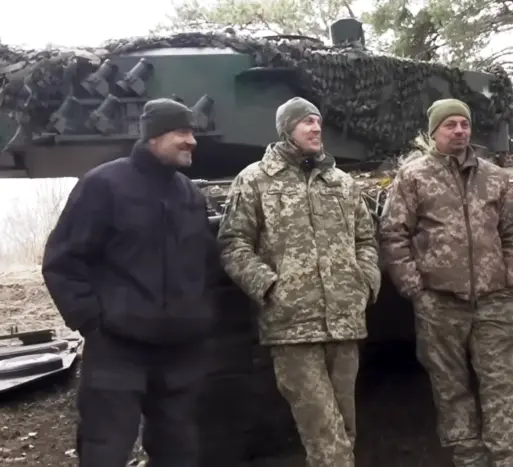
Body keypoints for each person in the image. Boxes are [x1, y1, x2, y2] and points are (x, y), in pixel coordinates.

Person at [42, 98, 220, 467]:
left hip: (179, 351)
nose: (192, 141)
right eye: (182, 132)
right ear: (154, 136)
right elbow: (63, 260)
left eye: (193, 132)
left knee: (179, 450)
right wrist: (93, 321)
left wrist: (199, 316)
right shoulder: (104, 184)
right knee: (105, 448)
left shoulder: (190, 194)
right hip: (118, 348)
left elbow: (204, 265)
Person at [217, 97, 381, 467]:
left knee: (344, 429)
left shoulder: (341, 182)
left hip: (344, 321)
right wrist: (271, 288)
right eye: (306, 121)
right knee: (324, 433)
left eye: (318, 121)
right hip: (292, 326)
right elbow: (233, 243)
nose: (315, 128)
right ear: (286, 128)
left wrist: (365, 281)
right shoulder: (256, 179)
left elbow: (366, 240)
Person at [379, 98, 513, 467]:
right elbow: (394, 233)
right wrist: (415, 287)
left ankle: (511, 457)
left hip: (495, 299)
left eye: (464, 124)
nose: (459, 131)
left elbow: (512, 232)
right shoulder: (413, 176)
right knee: (451, 387)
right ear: (434, 132)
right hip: (439, 301)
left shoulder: (494, 176)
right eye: (450, 125)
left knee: (503, 385)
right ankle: (469, 458)